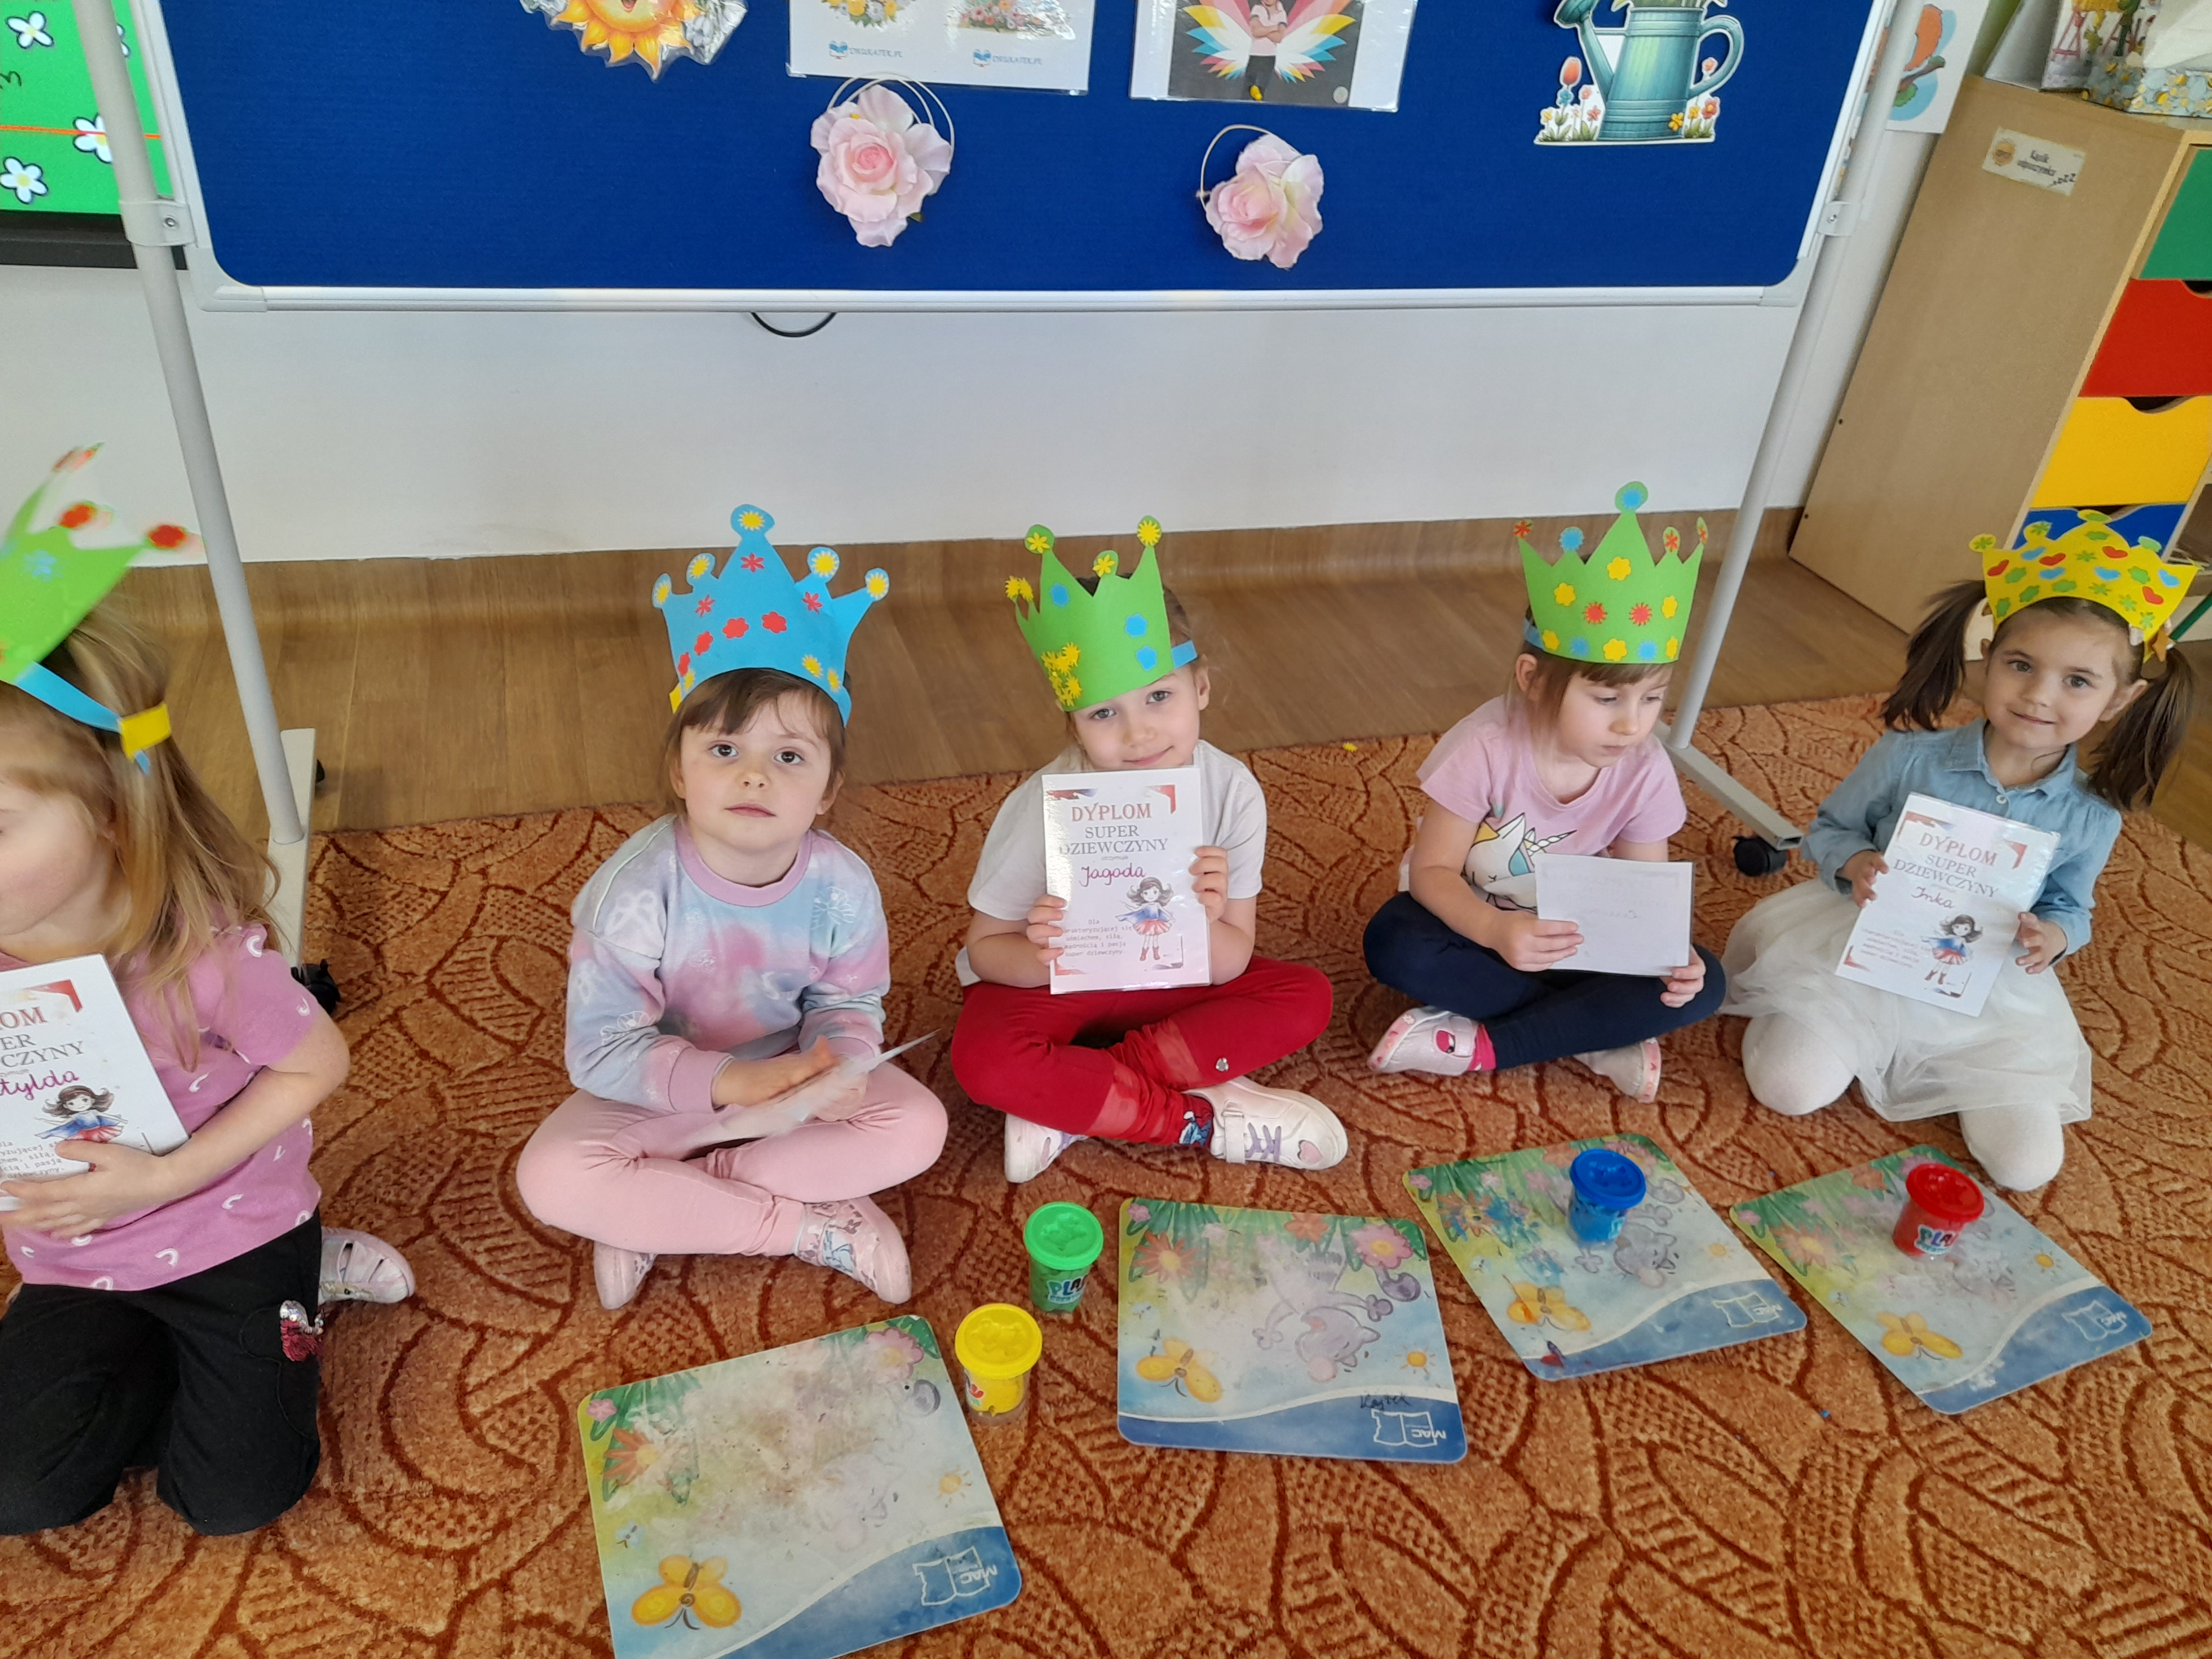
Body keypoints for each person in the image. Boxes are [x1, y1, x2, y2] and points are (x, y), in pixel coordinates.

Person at [0, 449, 410, 1537]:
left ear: (108, 809)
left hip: (232, 1226)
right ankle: (154, 1356)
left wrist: (167, 1176)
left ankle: (307, 1270)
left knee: (231, 1497)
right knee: (19, 1491)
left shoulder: (204, 953)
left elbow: (317, 1063)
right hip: (75, 1260)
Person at [517, 507, 945, 1311]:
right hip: (663, 1088)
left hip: (795, 1080)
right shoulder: (633, 893)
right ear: (679, 772)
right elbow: (603, 1051)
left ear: (827, 791)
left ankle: (669, 1202)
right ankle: (802, 1224)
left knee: (919, 1127)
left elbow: (849, 1002)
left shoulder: (843, 884)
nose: (755, 776)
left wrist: (841, 1062)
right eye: (724, 750)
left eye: (789, 756)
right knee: (551, 1177)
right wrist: (734, 1083)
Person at [1721, 517, 2199, 1189]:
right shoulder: (1906, 757)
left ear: (2121, 699)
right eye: (2021, 665)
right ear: (1987, 657)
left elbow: (2071, 906)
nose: (2038, 695)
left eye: (2077, 682)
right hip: (1860, 945)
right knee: (1789, 1087)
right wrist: (1855, 863)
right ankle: (1805, 1017)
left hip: (1983, 980)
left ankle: (1942, 1063)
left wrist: (2053, 936)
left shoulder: (2090, 816)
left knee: (2028, 1167)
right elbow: (1830, 829)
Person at [951, 518, 1340, 1184]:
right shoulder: (1043, 803)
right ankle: (1194, 1119)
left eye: (1159, 696)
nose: (1138, 733)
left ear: (1201, 689)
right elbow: (986, 952)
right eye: (1103, 713)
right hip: (1064, 989)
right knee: (984, 1061)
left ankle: (1075, 1098)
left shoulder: (1232, 791)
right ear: (1073, 723)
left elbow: (1230, 960)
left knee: (1305, 996)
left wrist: (1204, 916)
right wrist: (1041, 952)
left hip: (1174, 983)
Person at [1364, 484, 1725, 1100]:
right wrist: (1494, 930)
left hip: (1579, 940)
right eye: (1606, 698)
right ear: (1532, 679)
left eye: (1652, 698)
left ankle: (1491, 1044)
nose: (1632, 724)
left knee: (1705, 982)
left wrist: (1668, 956)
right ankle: (1594, 1033)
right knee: (1395, 942)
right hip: (1474, 929)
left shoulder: (1645, 768)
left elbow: (1644, 897)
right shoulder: (1482, 746)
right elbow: (1432, 873)